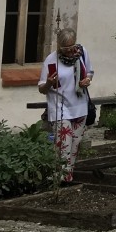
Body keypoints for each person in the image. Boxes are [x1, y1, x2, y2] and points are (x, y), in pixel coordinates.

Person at [38, 27, 94, 182]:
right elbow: (42, 89)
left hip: (80, 107)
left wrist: (87, 80)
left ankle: (66, 177)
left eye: (71, 47)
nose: (69, 51)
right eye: (65, 48)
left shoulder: (82, 53)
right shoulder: (51, 60)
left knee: (74, 146)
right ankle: (62, 177)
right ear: (59, 46)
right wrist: (49, 83)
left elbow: (90, 72)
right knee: (63, 145)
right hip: (60, 109)